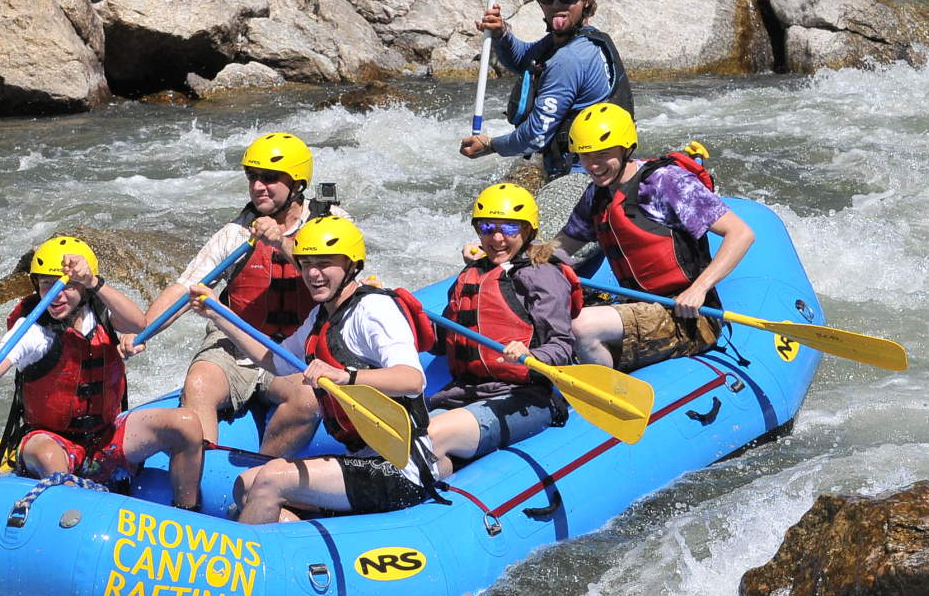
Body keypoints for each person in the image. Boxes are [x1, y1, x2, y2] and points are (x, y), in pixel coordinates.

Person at [191, 216, 441, 525]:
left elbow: (412, 379)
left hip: (401, 466)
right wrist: (220, 315)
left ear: (352, 265)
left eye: (324, 264)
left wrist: (345, 376)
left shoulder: (374, 310)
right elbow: (274, 361)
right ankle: (294, 544)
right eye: (306, 263)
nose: (313, 273)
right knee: (245, 486)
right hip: (359, 460)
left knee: (269, 480)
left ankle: (242, 562)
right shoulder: (320, 316)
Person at [0, 236, 204, 510]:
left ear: (85, 288)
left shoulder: (100, 312)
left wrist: (94, 282)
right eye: (47, 285)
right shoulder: (31, 331)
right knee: (51, 455)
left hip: (105, 435)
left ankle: (188, 512)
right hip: (49, 438)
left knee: (186, 423)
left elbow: (138, 322)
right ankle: (70, 514)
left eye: (68, 286)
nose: (56, 295)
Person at [138, 133, 325, 456]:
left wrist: (281, 241)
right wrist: (144, 332)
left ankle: (264, 475)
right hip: (234, 345)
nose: (257, 187)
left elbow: (330, 275)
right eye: (252, 178)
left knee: (308, 399)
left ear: (297, 184)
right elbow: (186, 286)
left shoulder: (329, 226)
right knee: (198, 384)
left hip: (297, 352)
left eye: (269, 179)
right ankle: (207, 474)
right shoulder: (236, 233)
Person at [554, 105, 755, 372]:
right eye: (585, 155)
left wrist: (698, 289)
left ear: (626, 149)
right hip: (635, 307)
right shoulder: (596, 196)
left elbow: (741, 234)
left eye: (603, 154)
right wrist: (500, 252)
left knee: (581, 326)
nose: (592, 165)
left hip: (688, 316)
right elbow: (559, 249)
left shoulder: (665, 182)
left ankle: (609, 399)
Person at [426, 183, 577, 476]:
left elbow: (562, 346)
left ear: (528, 230)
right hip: (463, 394)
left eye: (509, 229)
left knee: (427, 437)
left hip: (523, 396)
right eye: (487, 227)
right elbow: (441, 342)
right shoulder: (472, 274)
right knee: (405, 442)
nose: (497, 238)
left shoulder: (541, 275)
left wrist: (531, 354)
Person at [459, 0, 634, 180]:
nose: (556, 6)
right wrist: (501, 34)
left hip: (583, 175)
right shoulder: (577, 40)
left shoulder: (570, 59)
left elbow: (536, 136)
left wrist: (491, 145)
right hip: (585, 167)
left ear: (587, 0)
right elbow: (526, 61)